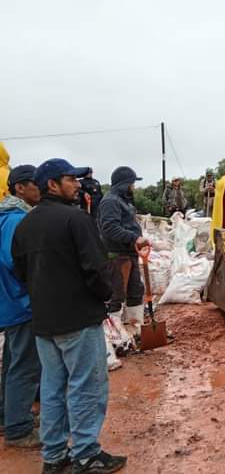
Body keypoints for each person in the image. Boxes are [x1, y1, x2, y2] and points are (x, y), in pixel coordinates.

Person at [11, 158, 126, 473]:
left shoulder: (24, 226)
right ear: (52, 184)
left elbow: (21, 273)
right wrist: (106, 297)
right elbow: (97, 269)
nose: (77, 184)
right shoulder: (75, 220)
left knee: (52, 388)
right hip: (78, 319)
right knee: (86, 385)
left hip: (44, 323)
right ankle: (86, 453)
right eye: (70, 179)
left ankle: (54, 456)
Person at [0, 165, 41, 448]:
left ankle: (8, 415)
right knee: (25, 365)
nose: (40, 189)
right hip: (21, 302)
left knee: (13, 362)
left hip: (10, 302)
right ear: (20, 188)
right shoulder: (16, 220)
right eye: (35, 184)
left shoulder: (6, 217)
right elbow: (13, 261)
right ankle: (18, 428)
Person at [97, 166, 150, 338]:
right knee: (116, 295)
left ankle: (137, 331)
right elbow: (109, 228)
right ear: (125, 183)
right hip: (116, 256)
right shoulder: (110, 201)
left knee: (136, 291)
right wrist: (134, 238)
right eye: (132, 184)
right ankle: (115, 337)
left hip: (129, 254)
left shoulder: (123, 200)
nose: (133, 187)